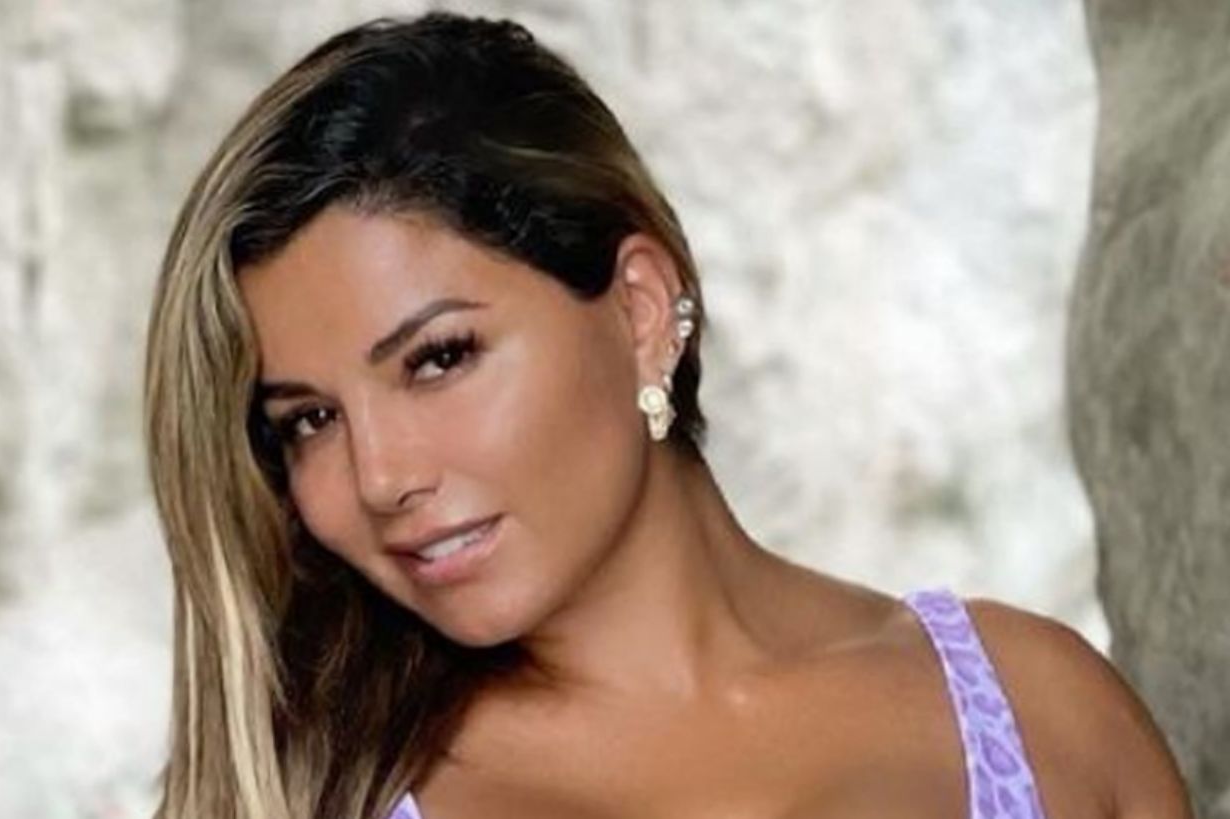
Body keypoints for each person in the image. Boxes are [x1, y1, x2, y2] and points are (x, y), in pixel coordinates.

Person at [141, 11, 1193, 819]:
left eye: (438, 359)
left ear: (640, 311)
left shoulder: (1040, 715)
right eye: (308, 421)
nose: (379, 477)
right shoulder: (312, 798)